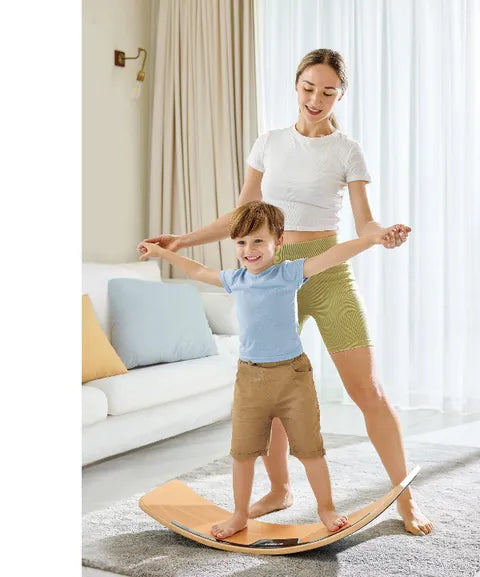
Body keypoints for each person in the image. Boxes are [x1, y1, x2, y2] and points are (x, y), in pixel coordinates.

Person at [139, 48, 433, 535]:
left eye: (328, 92)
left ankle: (406, 497)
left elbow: (365, 221)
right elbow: (243, 217)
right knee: (270, 386)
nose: (315, 99)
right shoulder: (270, 143)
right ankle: (279, 490)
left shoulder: (347, 151)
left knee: (369, 390)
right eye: (308, 88)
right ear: (296, 85)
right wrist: (183, 240)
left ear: (341, 95)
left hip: (325, 274)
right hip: (270, 277)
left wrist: (381, 235)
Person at [139, 200, 399, 539]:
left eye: (258, 241)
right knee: (243, 454)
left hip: (293, 378)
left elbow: (334, 256)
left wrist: (372, 239)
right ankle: (239, 516)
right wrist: (163, 253)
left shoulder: (289, 273)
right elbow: (197, 271)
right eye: (242, 242)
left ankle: (326, 508)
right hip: (250, 380)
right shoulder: (235, 279)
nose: (249, 250)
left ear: (279, 241)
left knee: (310, 450)